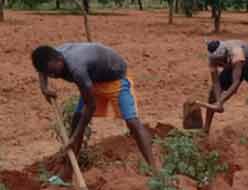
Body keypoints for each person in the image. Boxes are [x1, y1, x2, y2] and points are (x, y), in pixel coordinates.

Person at [31, 42, 156, 172]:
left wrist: (75, 137)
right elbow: (42, 70)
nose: (52, 76)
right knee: (76, 120)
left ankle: (155, 170)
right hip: (93, 81)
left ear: (59, 59)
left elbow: (90, 106)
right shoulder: (50, 55)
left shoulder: (76, 67)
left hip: (115, 79)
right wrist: (44, 88)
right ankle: (70, 170)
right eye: (48, 73)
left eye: (53, 71)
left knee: (132, 122)